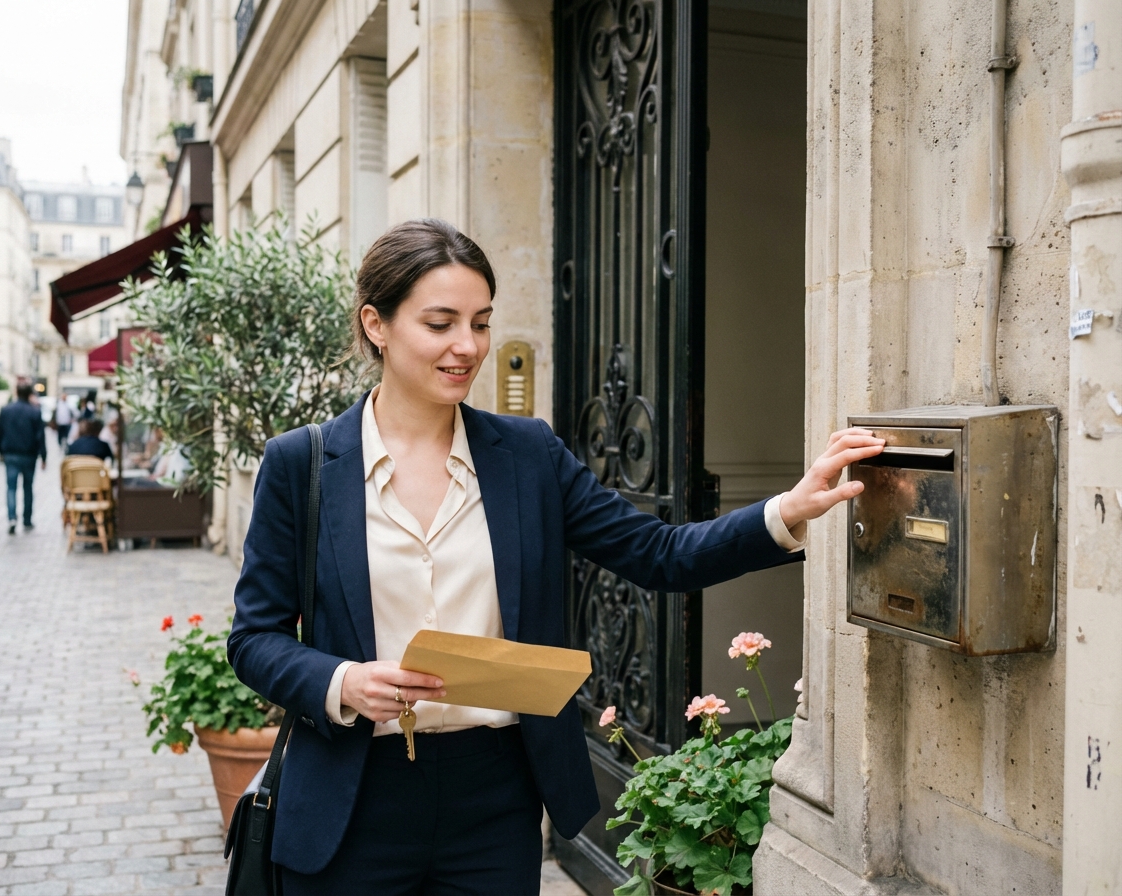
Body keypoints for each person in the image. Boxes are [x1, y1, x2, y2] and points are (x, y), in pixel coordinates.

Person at [227, 219, 885, 894]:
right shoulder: (301, 465)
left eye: (480, 323)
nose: (467, 346)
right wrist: (343, 684)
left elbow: (656, 553)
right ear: (377, 324)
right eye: (441, 323)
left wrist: (786, 512)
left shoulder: (528, 456)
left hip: (493, 800)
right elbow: (255, 638)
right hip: (350, 795)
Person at [0, 383, 48, 535]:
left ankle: (12, 518)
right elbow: (40, 436)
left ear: (16, 392)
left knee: (11, 488)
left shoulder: (6, 410)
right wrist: (43, 456)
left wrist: (1, 450)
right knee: (28, 488)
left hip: (11, 454)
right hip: (29, 455)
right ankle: (27, 518)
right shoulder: (34, 412)